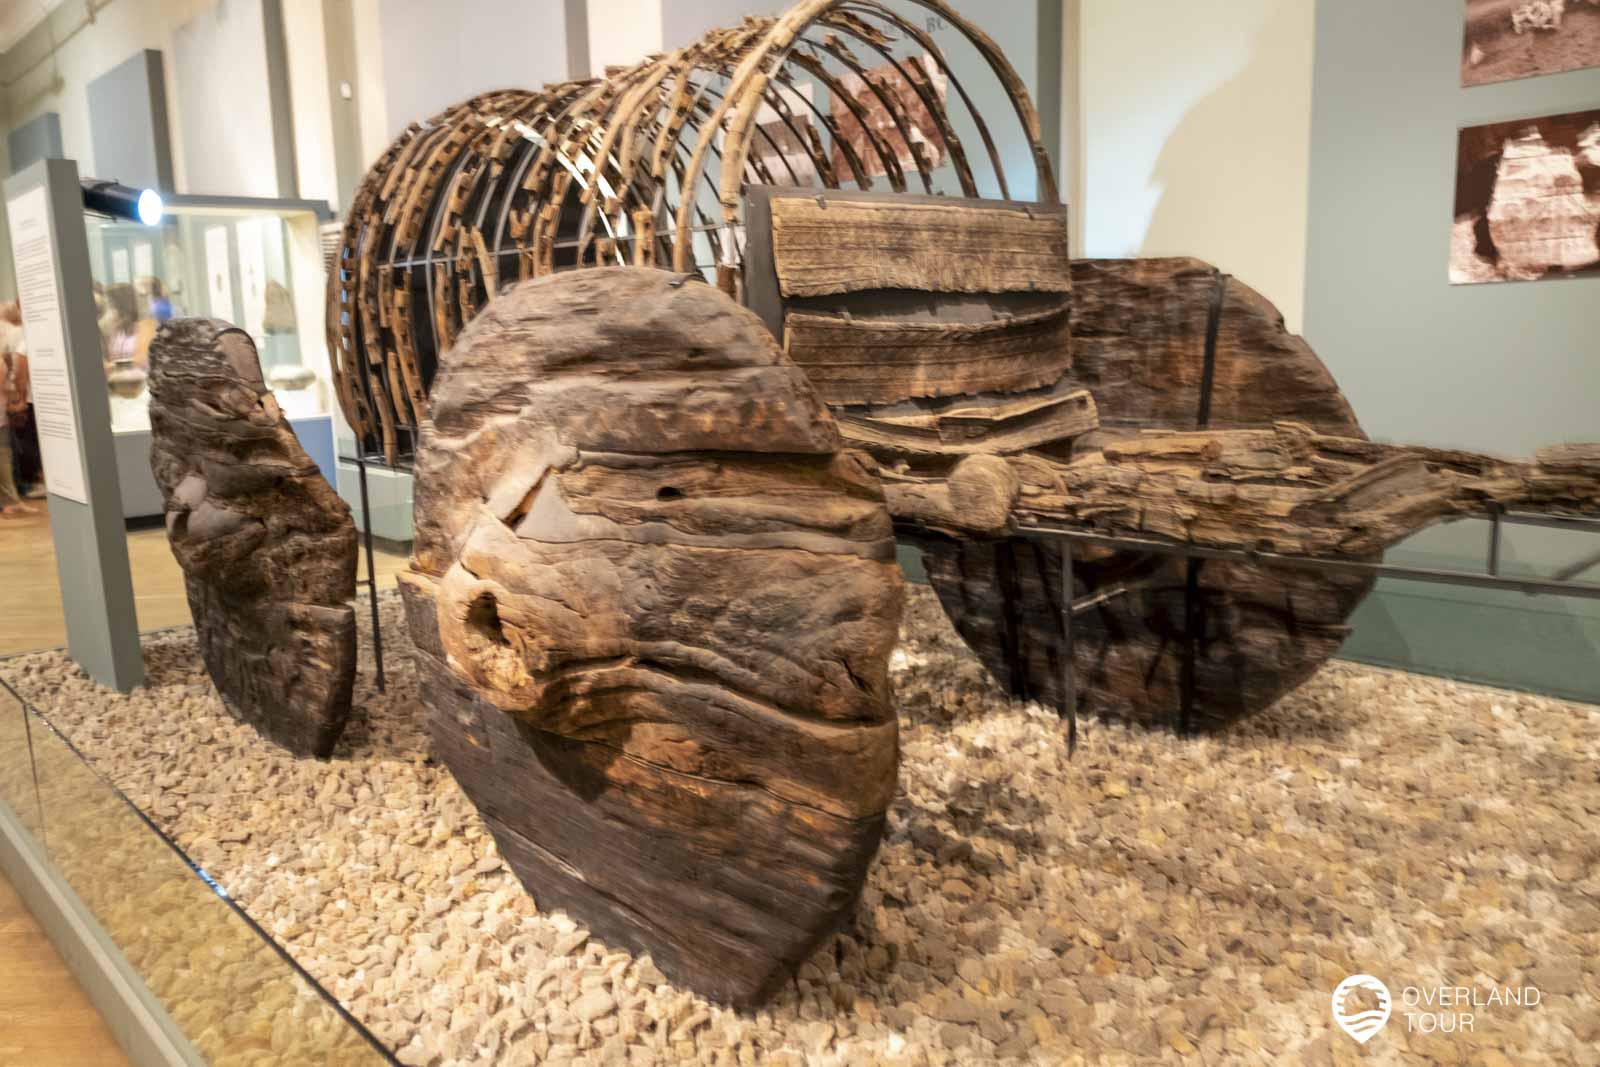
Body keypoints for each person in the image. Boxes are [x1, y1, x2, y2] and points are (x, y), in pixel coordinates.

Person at [2, 301, 42, 498]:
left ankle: (32, 480)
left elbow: (19, 371)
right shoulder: (24, 336)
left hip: (32, 399)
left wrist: (19, 398)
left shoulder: (25, 336)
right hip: (32, 399)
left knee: (27, 444)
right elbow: (18, 370)